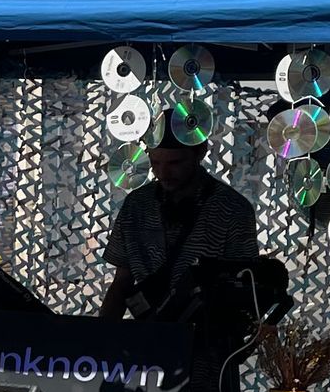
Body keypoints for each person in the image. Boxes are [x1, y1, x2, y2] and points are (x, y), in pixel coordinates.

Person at [100, 135, 258, 321]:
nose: (162, 173)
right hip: (148, 331)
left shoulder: (232, 209)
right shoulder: (137, 204)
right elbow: (121, 282)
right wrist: (101, 338)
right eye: (155, 163)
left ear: (199, 153)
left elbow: (244, 284)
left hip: (207, 334)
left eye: (174, 163)